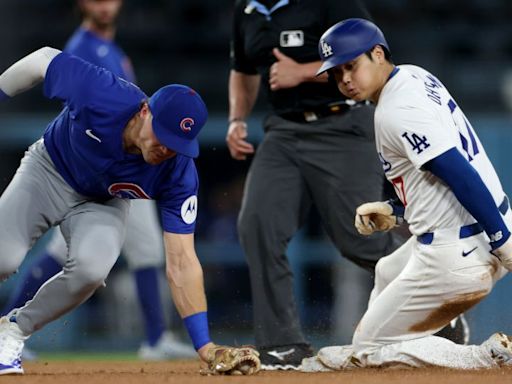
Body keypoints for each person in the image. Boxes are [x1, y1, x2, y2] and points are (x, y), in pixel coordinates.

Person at [227, 0, 467, 370]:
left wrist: (302, 72)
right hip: (283, 130)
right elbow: (243, 69)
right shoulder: (247, 9)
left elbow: (369, 63)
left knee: (358, 236)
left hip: (341, 125)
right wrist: (236, 119)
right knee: (257, 225)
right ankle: (282, 343)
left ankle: (439, 310)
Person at [0, 47, 260, 375]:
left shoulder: (178, 171)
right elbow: (42, 60)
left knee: (92, 270)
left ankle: (12, 330)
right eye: (163, 135)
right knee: (3, 259)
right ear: (144, 111)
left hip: (102, 201)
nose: (166, 148)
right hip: (49, 170)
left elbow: (182, 260)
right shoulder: (103, 94)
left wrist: (205, 346)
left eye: (176, 144)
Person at [301, 18, 512, 371]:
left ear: (378, 53)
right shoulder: (414, 76)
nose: (345, 80)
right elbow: (437, 174)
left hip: (458, 250)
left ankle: (482, 358)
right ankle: (438, 335)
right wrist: (395, 209)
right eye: (336, 74)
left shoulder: (396, 110)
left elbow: (458, 172)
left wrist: (502, 240)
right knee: (386, 269)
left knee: (367, 348)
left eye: (351, 66)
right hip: (475, 227)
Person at [1, 0, 195, 361]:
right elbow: (56, 77)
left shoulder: (113, 50)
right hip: (83, 165)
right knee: (139, 250)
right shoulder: (85, 47)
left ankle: (13, 325)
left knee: (89, 262)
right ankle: (155, 339)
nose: (104, 4)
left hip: (120, 174)